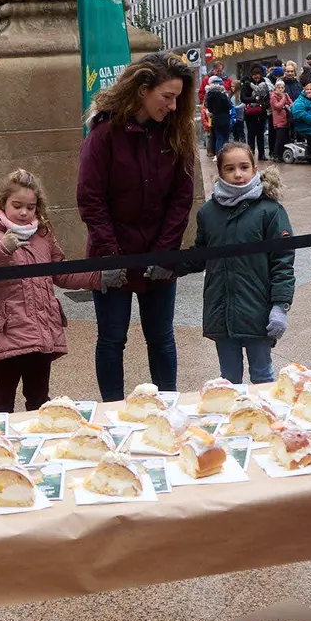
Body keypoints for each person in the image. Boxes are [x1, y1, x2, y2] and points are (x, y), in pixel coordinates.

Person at [76, 52, 196, 402]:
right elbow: (91, 200)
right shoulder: (103, 135)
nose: (173, 106)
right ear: (143, 90)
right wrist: (112, 256)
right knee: (112, 338)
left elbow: (180, 198)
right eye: (167, 97)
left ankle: (168, 402)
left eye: (177, 98)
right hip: (111, 253)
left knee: (161, 336)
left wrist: (164, 250)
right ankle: (113, 407)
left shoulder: (176, 133)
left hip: (159, 252)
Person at [0, 169, 125, 411]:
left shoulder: (42, 234)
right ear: (3, 203)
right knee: (3, 394)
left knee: (39, 395)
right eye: (17, 205)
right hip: (8, 329)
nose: (23, 212)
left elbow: (61, 272)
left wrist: (98, 277)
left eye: (30, 207)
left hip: (41, 328)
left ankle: (40, 438)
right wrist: (2, 248)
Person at [176, 143, 294, 384]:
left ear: (254, 169)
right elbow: (202, 254)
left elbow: (282, 262)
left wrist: (280, 306)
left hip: (257, 310)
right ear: (220, 172)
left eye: (244, 167)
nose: (238, 174)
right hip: (222, 310)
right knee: (228, 380)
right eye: (230, 169)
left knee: (262, 375)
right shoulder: (208, 213)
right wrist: (168, 264)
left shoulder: (270, 210)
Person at [239, 66, 270, 160]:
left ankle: (262, 154)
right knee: (251, 134)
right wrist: (253, 99)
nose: (256, 76)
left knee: (260, 134)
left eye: (258, 74)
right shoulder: (246, 84)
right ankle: (251, 154)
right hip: (250, 113)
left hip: (261, 112)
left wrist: (265, 102)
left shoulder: (264, 83)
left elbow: (268, 95)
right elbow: (243, 98)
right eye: (254, 74)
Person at [205, 75, 234, 156]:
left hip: (215, 118)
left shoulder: (209, 95)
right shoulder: (223, 95)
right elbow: (230, 106)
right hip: (225, 118)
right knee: (225, 138)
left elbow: (209, 108)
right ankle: (225, 155)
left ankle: (218, 155)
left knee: (218, 137)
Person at [269, 80, 293, 161]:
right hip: (279, 121)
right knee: (279, 139)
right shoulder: (273, 97)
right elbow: (278, 106)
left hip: (286, 120)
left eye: (282, 88)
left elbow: (291, 104)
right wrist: (283, 99)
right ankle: (276, 155)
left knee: (285, 139)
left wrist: (287, 102)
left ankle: (283, 154)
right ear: (275, 88)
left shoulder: (286, 95)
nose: (280, 89)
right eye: (278, 87)